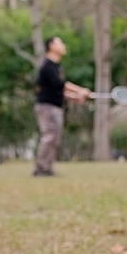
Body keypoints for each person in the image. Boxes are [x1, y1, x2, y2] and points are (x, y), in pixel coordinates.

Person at [34, 36, 91, 176]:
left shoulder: (57, 66)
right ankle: (40, 168)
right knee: (49, 136)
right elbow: (61, 85)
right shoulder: (47, 65)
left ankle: (47, 168)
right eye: (60, 43)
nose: (63, 46)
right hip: (47, 107)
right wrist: (80, 90)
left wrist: (74, 97)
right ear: (52, 46)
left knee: (55, 138)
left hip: (55, 106)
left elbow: (57, 90)